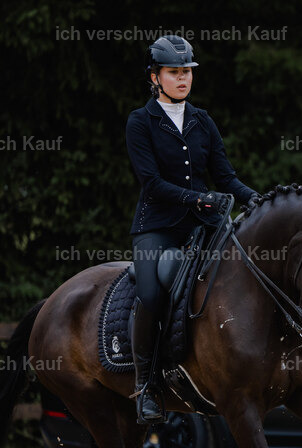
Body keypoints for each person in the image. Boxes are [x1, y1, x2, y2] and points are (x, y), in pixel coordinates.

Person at [126, 35, 259, 424]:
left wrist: (257, 200)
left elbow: (225, 177)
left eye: (186, 72)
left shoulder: (203, 121)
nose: (183, 78)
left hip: (204, 225)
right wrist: (198, 199)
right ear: (155, 77)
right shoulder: (140, 122)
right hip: (157, 226)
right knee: (151, 295)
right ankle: (146, 386)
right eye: (174, 72)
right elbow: (152, 183)